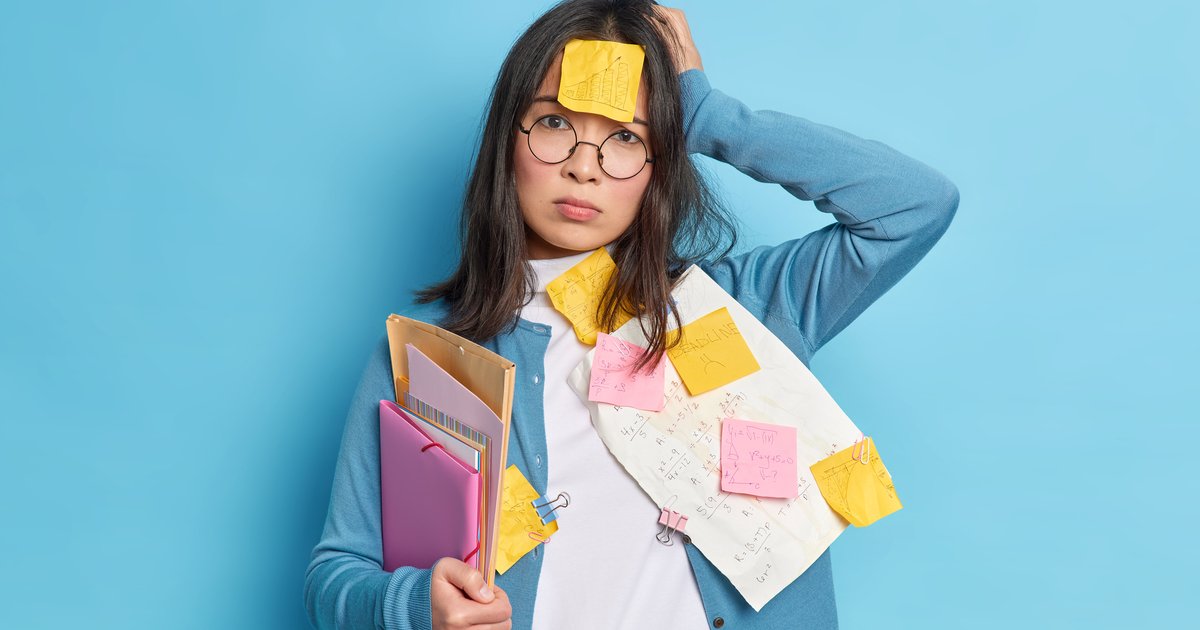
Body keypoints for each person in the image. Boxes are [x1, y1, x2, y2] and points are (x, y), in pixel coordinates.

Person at [304, 1, 959, 629]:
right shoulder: (431, 358)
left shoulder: (746, 309)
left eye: (624, 137)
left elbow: (914, 207)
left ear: (659, 164)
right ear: (509, 139)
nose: (584, 168)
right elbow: (338, 573)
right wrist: (416, 606)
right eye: (556, 124)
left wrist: (706, 115)